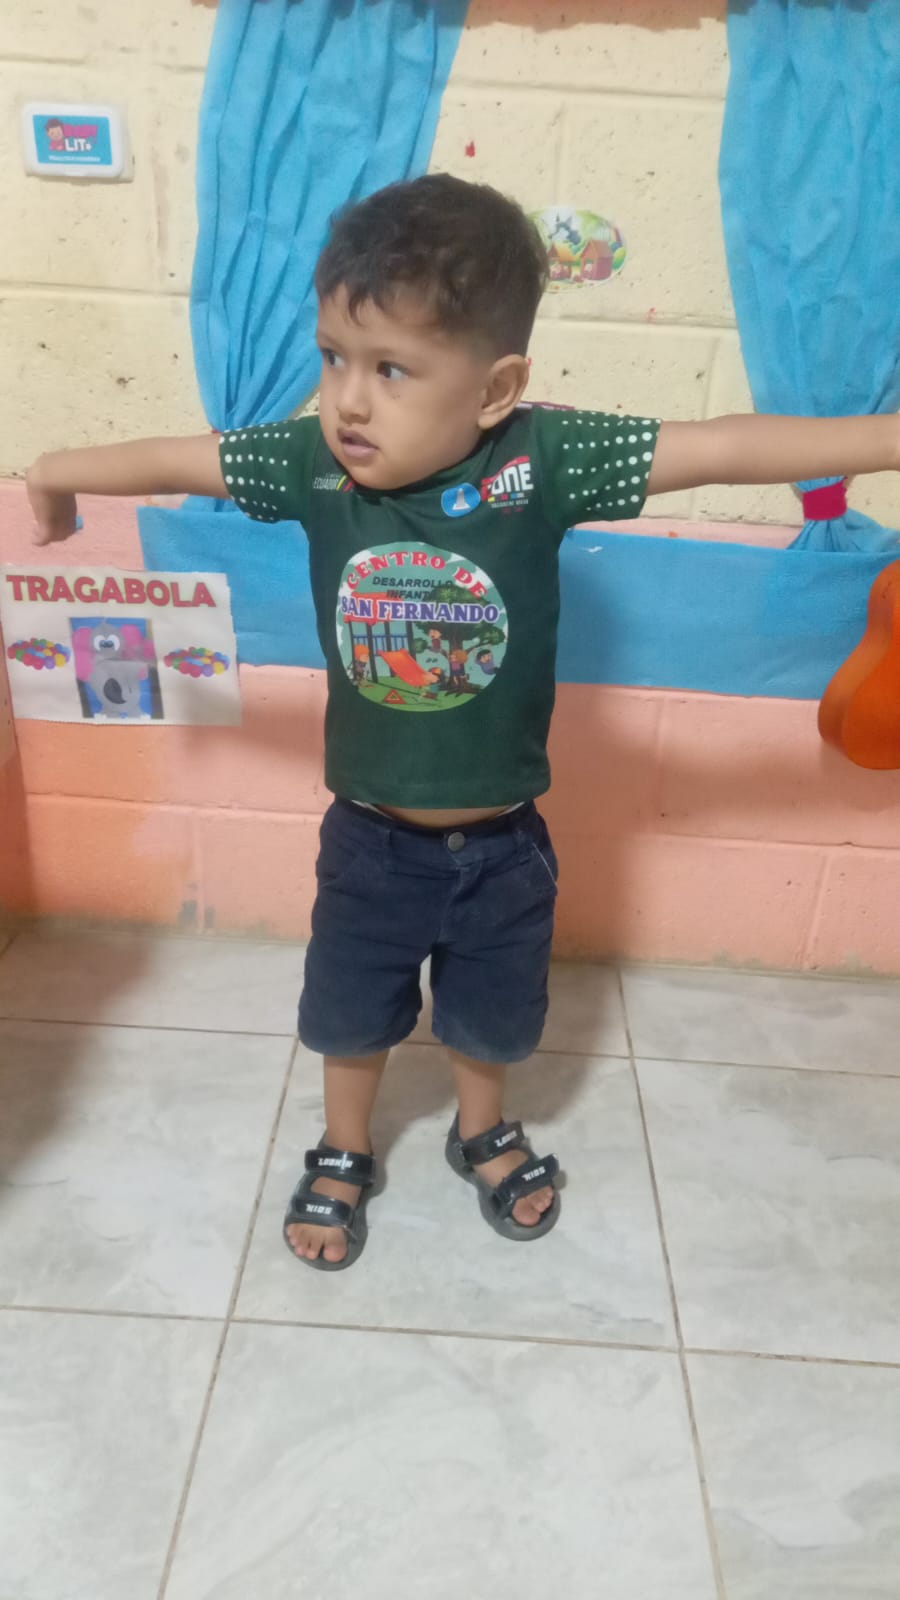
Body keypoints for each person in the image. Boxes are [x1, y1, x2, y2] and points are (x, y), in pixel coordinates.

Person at [26, 174, 900, 1271]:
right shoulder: (313, 465)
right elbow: (177, 457)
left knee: (493, 1018)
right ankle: (346, 1145)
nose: (349, 400)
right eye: (334, 357)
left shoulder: (540, 462)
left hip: (503, 847)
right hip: (369, 839)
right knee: (349, 1013)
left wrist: (890, 436)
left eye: (391, 370)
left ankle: (480, 1128)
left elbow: (725, 446)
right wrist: (56, 474)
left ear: (496, 390)